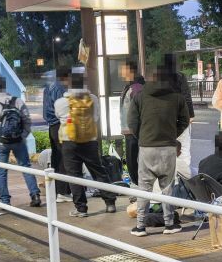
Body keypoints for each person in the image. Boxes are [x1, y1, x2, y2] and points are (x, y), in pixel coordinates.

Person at [129, 61, 190, 236]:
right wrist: (172, 134)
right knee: (167, 187)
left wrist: (142, 136)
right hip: (168, 148)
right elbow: (184, 121)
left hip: (147, 147)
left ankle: (140, 226)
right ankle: (169, 225)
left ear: (148, 77)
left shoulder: (139, 96)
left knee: (144, 187)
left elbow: (132, 122)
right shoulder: (176, 96)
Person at [54, 73, 118, 217]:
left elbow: (58, 117)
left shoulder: (61, 102)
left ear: (69, 84)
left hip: (69, 142)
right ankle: (110, 203)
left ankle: (81, 208)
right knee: (99, 172)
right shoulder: (93, 99)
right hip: (90, 141)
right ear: (84, 83)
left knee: (74, 175)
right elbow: (95, 118)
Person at [0, 76, 41, 207]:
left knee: (1, 171)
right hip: (19, 141)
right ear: (4, 86)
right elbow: (27, 121)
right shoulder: (17, 101)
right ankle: (35, 195)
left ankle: (5, 201)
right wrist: (23, 136)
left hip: (0, 143)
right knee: (26, 167)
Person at [43, 67, 73, 203]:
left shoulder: (48, 88)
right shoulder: (60, 89)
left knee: (56, 158)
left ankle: (55, 190)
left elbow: (45, 111)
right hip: (60, 125)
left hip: (51, 126)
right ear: (66, 77)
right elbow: (63, 109)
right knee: (63, 159)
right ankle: (62, 192)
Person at [163, 53, 195, 179]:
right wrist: (191, 115)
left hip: (165, 120)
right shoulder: (180, 76)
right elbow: (186, 96)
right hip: (180, 118)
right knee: (183, 148)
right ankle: (183, 178)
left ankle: (168, 177)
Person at [119, 59, 146, 186]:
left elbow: (141, 109)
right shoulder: (131, 85)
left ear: (130, 70)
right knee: (132, 161)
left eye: (123, 69)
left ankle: (140, 188)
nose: (121, 72)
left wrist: (136, 128)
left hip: (134, 131)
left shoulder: (136, 87)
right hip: (130, 130)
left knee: (134, 162)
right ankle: (139, 187)